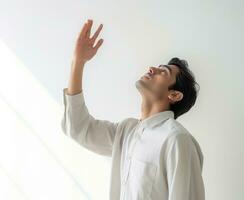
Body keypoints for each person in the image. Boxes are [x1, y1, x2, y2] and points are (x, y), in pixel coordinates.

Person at [61, 18, 205, 200]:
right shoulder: (126, 131)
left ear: (174, 95)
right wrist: (78, 62)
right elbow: (78, 128)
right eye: (158, 67)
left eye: (164, 72)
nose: (153, 68)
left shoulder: (177, 140)